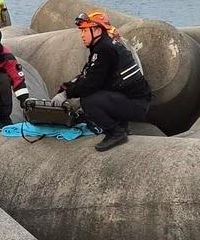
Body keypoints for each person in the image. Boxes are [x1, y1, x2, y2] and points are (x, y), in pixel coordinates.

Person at [52, 10, 152, 152]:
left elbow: (91, 83)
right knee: (97, 94)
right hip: (134, 100)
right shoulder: (103, 46)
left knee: (88, 100)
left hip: (136, 105)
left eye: (84, 31)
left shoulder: (105, 49)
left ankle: (115, 132)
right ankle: (122, 126)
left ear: (97, 30)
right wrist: (65, 88)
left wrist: (66, 94)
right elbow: (87, 74)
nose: (82, 35)